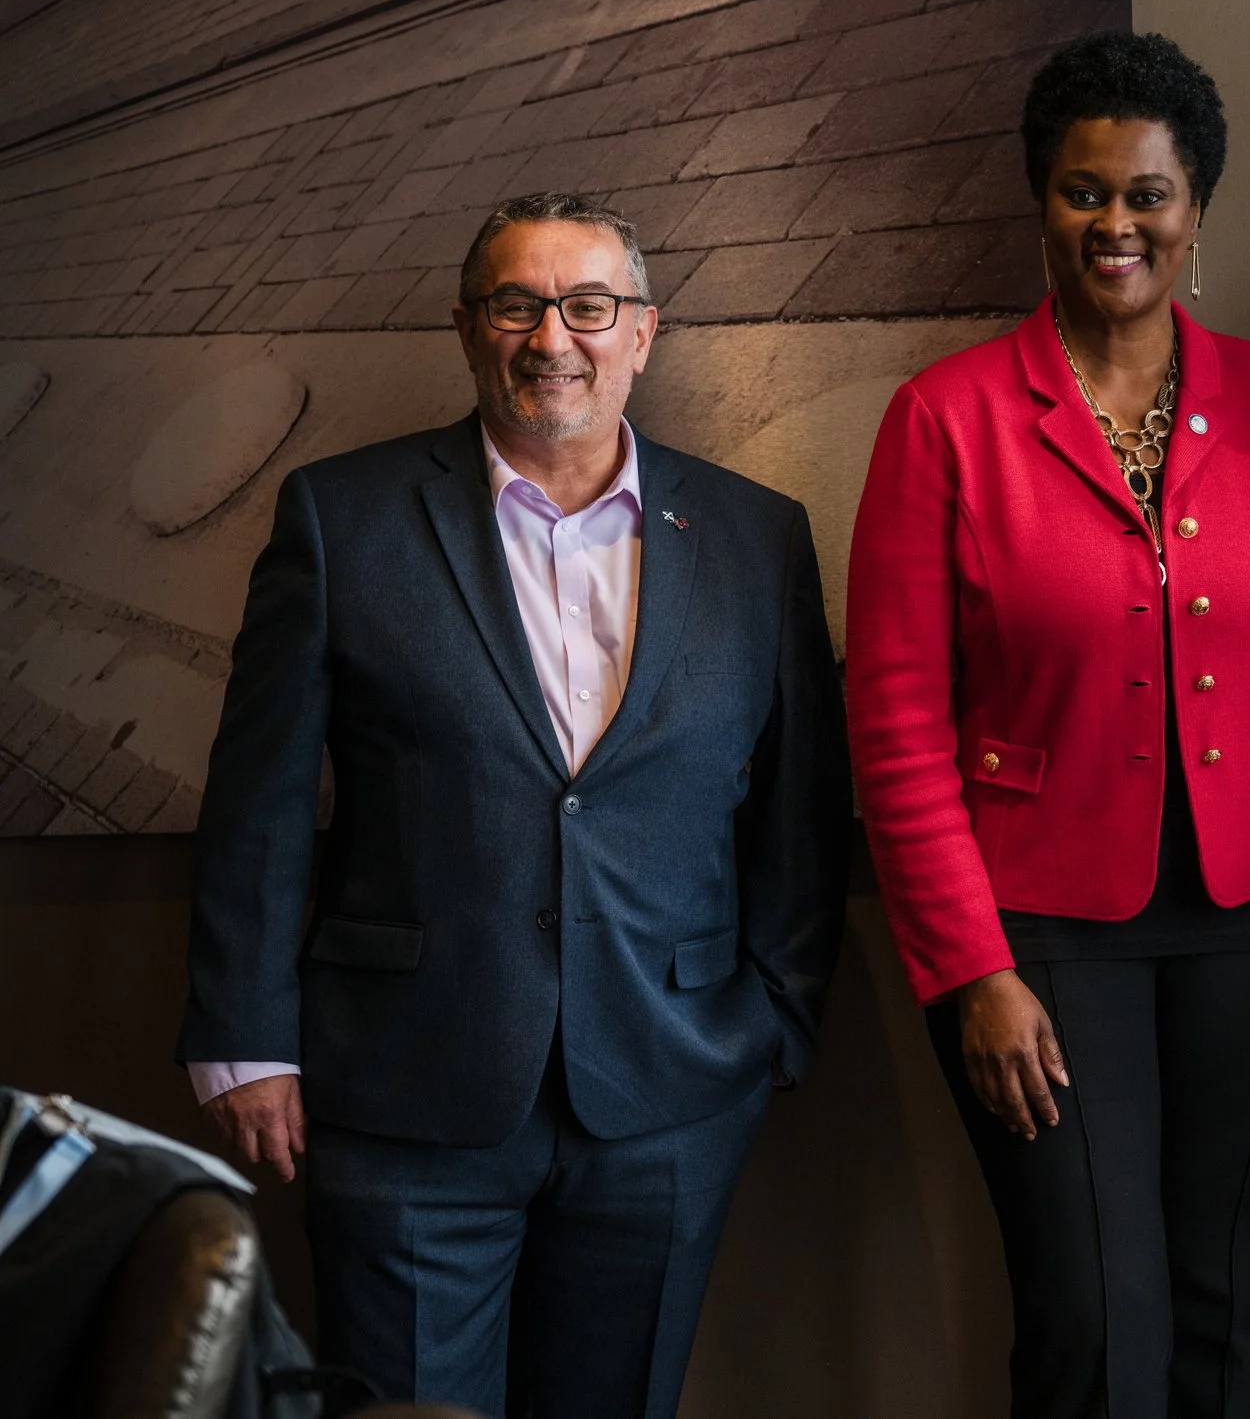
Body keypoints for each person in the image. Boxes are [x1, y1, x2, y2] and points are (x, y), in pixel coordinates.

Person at [176, 191, 849, 1416]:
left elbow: (802, 810)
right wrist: (244, 1031)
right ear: (468, 326)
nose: (554, 337)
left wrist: (778, 1019)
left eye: (588, 305)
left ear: (641, 331)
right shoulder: (342, 517)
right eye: (517, 304)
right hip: (405, 1088)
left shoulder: (758, 535)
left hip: (671, 1089)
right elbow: (258, 792)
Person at [846, 29, 1250, 1418]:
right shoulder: (945, 420)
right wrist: (971, 968)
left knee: (1225, 1300)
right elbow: (897, 723)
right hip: (1036, 928)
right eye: (1083, 191)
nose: (1116, 222)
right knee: (1096, 1317)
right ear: (1041, 204)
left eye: (1146, 192)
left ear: (1195, 206)